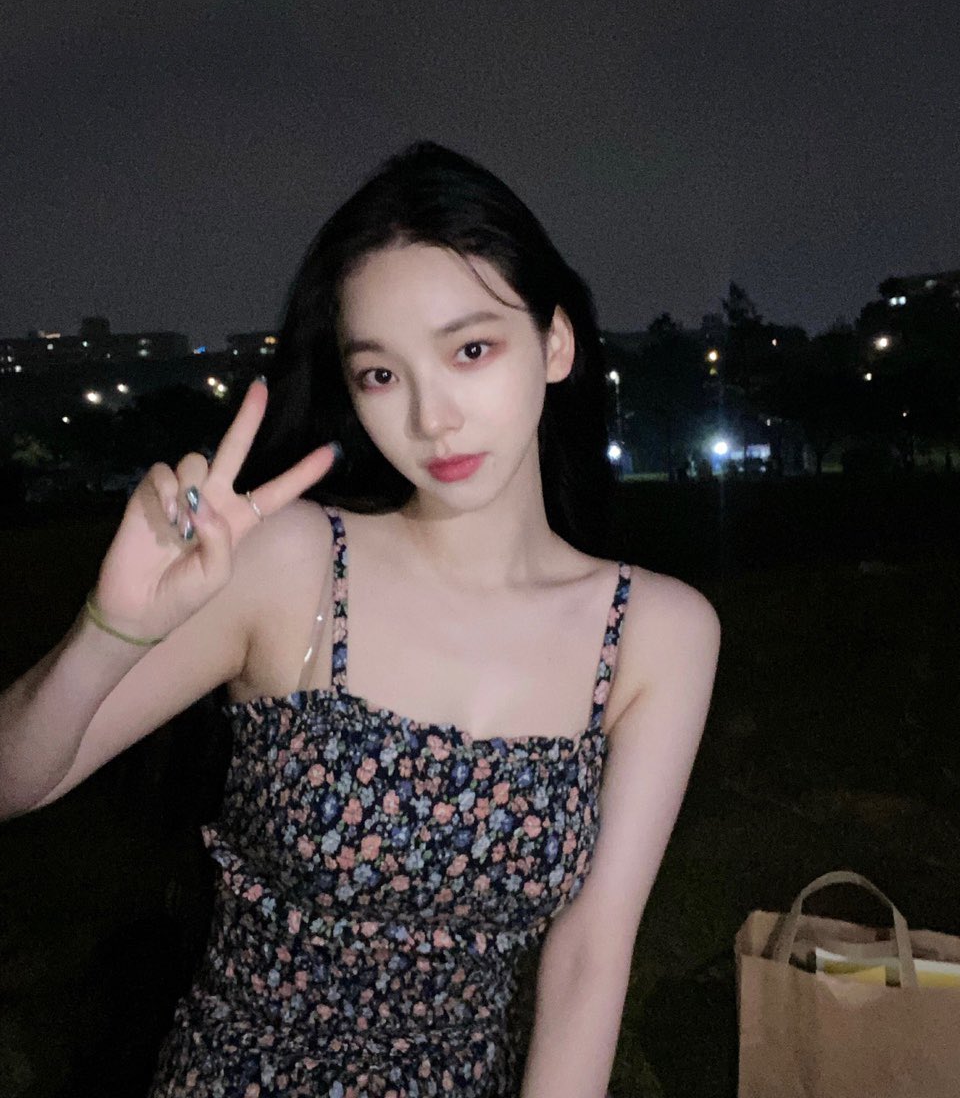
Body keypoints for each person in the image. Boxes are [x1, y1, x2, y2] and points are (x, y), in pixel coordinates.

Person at [0, 141, 721, 1097]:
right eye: (381, 374)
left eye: (471, 351)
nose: (432, 417)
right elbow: (18, 784)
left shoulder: (656, 632)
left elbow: (590, 956)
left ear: (555, 344)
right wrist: (111, 630)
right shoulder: (292, 564)